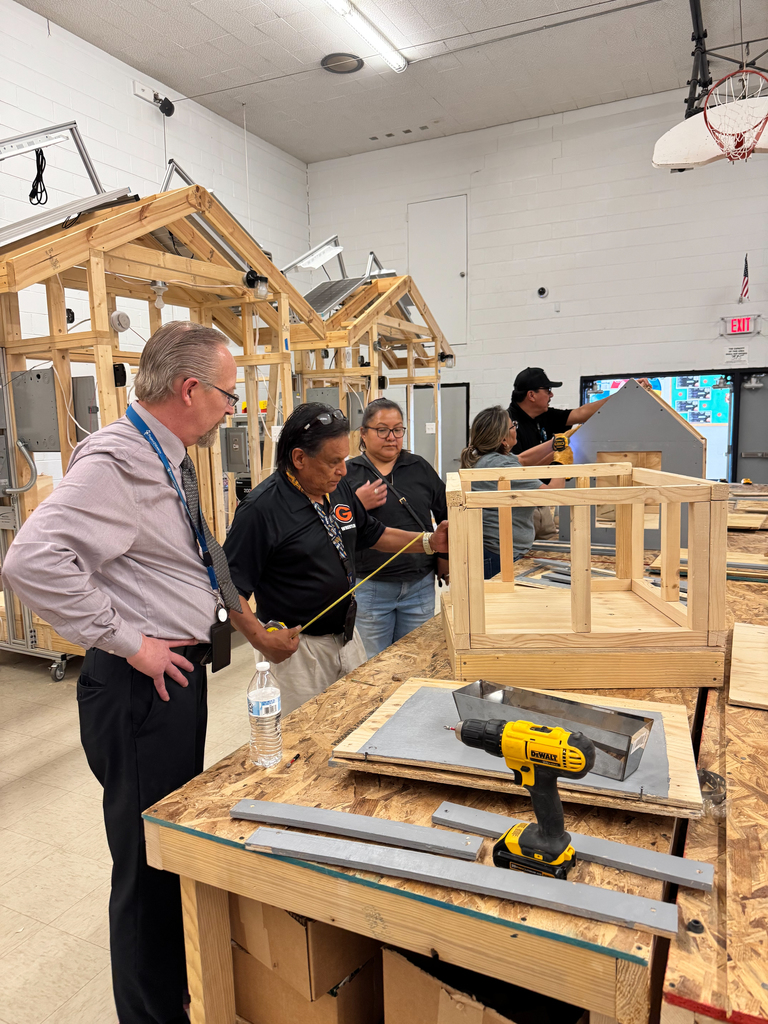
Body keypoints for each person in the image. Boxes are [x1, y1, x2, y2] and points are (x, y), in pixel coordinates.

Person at [1, 322, 297, 1024]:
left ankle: (174, 995)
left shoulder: (163, 454)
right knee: (143, 866)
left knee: (166, 850)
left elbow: (188, 557)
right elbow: (29, 562)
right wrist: (130, 642)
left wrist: (241, 625)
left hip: (172, 682)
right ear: (190, 388)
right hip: (141, 686)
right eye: (228, 393)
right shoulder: (117, 459)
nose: (233, 409)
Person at [225, 402, 448, 713]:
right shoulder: (261, 510)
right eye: (333, 462)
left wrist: (429, 541)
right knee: (302, 739)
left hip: (347, 636)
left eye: (344, 459)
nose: (344, 470)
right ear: (299, 458)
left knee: (355, 718)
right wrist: (261, 639)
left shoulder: (336, 487)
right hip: (297, 651)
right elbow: (228, 588)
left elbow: (373, 533)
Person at [344, 398, 449, 659]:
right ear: (364, 434)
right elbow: (331, 528)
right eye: (382, 429)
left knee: (416, 662)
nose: (391, 437)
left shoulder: (419, 467)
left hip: (419, 586)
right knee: (371, 666)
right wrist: (356, 504)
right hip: (369, 587)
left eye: (398, 429)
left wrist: (444, 559)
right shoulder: (347, 474)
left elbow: (448, 516)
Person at [460, 406, 564, 578]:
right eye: (512, 426)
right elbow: (553, 495)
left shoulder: (486, 457)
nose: (516, 428)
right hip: (500, 556)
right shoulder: (501, 467)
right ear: (503, 439)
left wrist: (555, 443)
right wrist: (562, 463)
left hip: (493, 550)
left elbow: (522, 459)